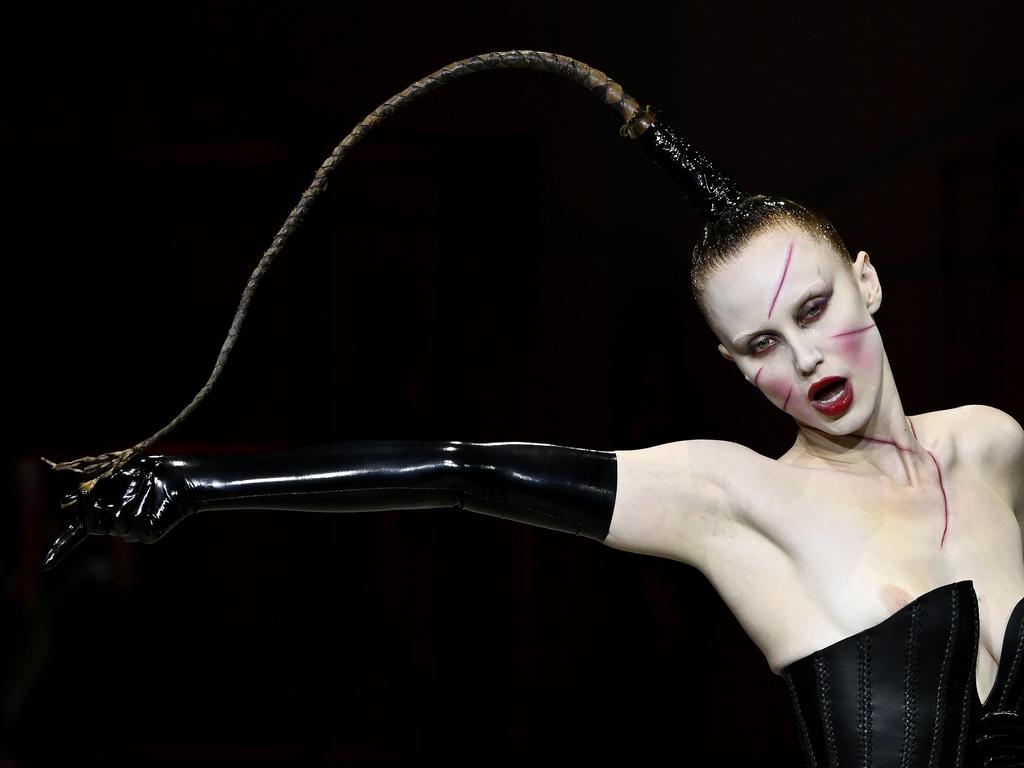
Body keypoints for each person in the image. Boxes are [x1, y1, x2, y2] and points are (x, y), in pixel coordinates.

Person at [41, 114, 1024, 766]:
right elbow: (463, 472)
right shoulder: (737, 499)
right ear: (732, 367)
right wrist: (203, 485)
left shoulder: (990, 446)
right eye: (762, 342)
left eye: (815, 306)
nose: (806, 356)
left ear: (867, 280)